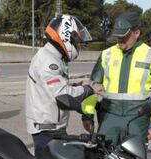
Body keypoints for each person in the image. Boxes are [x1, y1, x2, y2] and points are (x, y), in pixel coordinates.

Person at [82, 12, 151, 145]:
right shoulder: (107, 54)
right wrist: (87, 114)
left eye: (124, 36)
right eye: (118, 36)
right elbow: (93, 87)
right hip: (108, 117)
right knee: (104, 158)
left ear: (136, 33)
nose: (120, 40)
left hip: (138, 119)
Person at [25, 14, 104, 151]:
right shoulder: (48, 61)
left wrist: (77, 86)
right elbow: (61, 95)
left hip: (52, 127)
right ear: (66, 36)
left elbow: (55, 87)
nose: (77, 44)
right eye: (76, 40)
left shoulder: (54, 56)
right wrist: (89, 89)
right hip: (47, 130)